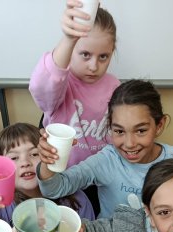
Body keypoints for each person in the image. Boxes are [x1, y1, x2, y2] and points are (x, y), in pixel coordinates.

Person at [38, 79, 173, 232]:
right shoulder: (106, 160)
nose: (129, 143)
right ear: (109, 128)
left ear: (159, 125)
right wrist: (49, 162)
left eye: (140, 131)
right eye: (119, 131)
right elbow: (55, 188)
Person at [29, 0, 120, 168]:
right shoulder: (61, 85)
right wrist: (68, 39)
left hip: (103, 174)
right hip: (63, 174)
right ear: (71, 50)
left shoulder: (115, 86)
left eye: (103, 57)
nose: (93, 66)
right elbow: (40, 86)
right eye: (85, 54)